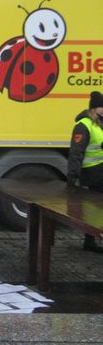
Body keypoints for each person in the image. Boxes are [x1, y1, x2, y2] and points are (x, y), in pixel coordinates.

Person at [66, 91, 103, 253]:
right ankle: (90, 240)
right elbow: (76, 153)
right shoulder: (83, 125)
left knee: (97, 208)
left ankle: (92, 239)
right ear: (94, 108)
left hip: (100, 172)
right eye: (102, 107)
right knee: (92, 209)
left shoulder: (99, 123)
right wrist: (72, 179)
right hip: (91, 174)